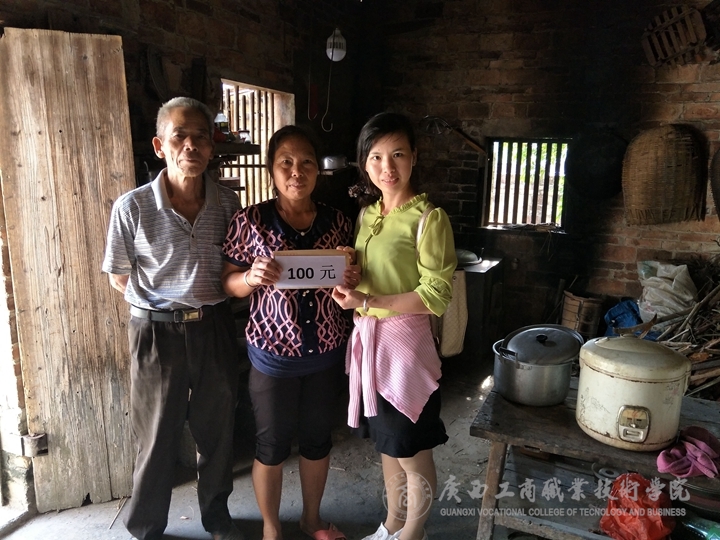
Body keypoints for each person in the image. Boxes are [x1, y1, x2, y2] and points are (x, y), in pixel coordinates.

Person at [102, 96, 244, 540]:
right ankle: (146, 527)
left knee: (217, 432)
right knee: (156, 436)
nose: (191, 146)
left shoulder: (228, 203)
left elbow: (236, 265)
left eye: (201, 136)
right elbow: (119, 276)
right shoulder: (133, 207)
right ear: (159, 145)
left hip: (214, 327)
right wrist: (162, 303)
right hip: (156, 333)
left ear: (211, 147)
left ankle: (217, 519)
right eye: (179, 136)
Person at [221, 125, 358, 540]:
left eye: (306, 163)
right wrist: (250, 277)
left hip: (326, 354)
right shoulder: (250, 221)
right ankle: (271, 528)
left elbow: (351, 279)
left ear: (318, 170)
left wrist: (352, 275)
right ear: (271, 169)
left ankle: (311, 519)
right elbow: (227, 283)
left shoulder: (338, 222)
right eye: (286, 162)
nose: (296, 172)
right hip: (273, 355)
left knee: (317, 440)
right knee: (272, 445)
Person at [332, 112, 457, 540]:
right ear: (364, 163)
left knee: (411, 451)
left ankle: (413, 533)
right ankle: (392, 525)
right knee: (388, 445)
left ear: (414, 157)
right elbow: (372, 275)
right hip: (371, 347)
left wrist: (368, 301)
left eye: (398, 154)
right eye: (376, 157)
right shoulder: (367, 214)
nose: (387, 167)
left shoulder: (428, 218)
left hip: (406, 350)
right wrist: (350, 277)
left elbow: (436, 294)